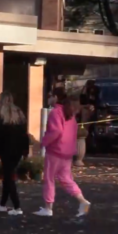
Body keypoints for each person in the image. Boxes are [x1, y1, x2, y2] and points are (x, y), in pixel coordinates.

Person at [34, 87, 91, 217]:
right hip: (67, 153)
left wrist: (43, 143)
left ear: (55, 97)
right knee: (66, 179)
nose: (49, 98)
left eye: (50, 95)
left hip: (55, 151)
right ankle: (82, 201)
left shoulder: (55, 112)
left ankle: (48, 207)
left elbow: (56, 131)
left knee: (49, 178)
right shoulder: (70, 115)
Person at [0, 91, 29, 216]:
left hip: (5, 150)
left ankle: (17, 206)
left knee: (9, 178)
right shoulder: (19, 114)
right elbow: (24, 134)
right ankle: (2, 204)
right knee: (7, 175)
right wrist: (25, 150)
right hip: (18, 150)